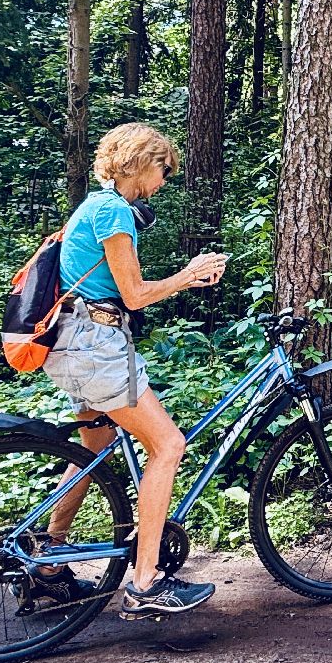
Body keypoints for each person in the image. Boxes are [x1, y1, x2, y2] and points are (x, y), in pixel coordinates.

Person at [29, 122, 229, 620]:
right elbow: (135, 295)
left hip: (75, 342)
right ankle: (145, 584)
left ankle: (49, 563)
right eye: (162, 169)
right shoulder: (114, 211)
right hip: (95, 343)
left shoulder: (94, 207)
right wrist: (188, 275)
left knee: (92, 448)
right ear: (140, 162)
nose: (164, 180)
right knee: (168, 445)